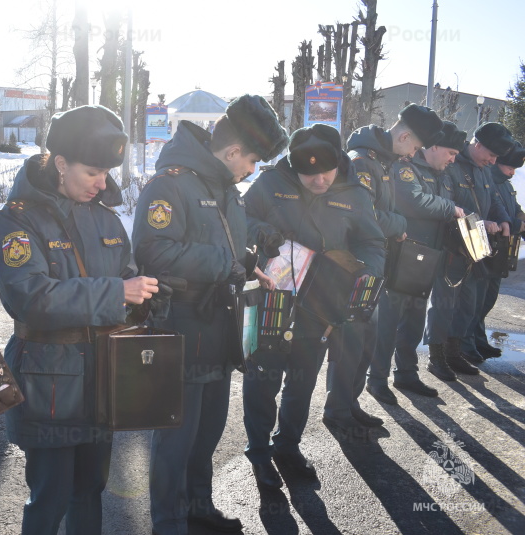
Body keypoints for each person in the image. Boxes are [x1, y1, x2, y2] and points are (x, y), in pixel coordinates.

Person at [0, 105, 159, 535]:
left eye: (106, 173)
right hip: (48, 383)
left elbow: (123, 275)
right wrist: (115, 293)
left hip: (102, 378)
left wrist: (142, 295)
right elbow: (30, 298)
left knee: (91, 489)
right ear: (61, 164)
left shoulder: (105, 218)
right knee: (50, 496)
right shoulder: (18, 219)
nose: (103, 183)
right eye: (92, 173)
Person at [133, 94, 288, 534]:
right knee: (174, 440)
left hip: (221, 329)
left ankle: (198, 506)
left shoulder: (225, 190)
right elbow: (152, 251)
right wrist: (228, 265)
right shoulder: (171, 184)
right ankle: (168, 522)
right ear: (234, 151)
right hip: (180, 328)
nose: (252, 170)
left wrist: (249, 263)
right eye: (252, 160)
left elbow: (229, 249)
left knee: (209, 433)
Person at [242, 124, 385, 491]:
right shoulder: (271, 183)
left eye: (326, 171)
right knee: (263, 379)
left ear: (339, 161)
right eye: (309, 173)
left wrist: (366, 274)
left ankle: (287, 446)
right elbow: (238, 217)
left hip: (322, 302)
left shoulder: (355, 192)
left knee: (302, 381)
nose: (319, 180)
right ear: (294, 165)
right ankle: (259, 454)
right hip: (274, 294)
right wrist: (259, 231)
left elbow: (372, 242)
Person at [339, 104, 444, 422]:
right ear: (404, 135)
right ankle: (340, 409)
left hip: (373, 263)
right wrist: (398, 225)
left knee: (365, 342)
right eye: (413, 147)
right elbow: (361, 216)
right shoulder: (362, 162)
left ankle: (349, 405)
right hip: (356, 266)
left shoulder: (381, 161)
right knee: (354, 343)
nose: (412, 154)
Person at [367, 121, 467, 405]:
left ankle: (406, 374)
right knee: (389, 321)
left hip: (426, 258)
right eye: (450, 152)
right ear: (433, 147)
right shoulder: (406, 168)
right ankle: (377, 379)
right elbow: (415, 202)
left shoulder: (442, 175)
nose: (453, 159)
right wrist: (450, 209)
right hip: (403, 256)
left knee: (413, 321)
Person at [425, 122, 515, 381]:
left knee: (468, 304)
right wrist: (478, 221)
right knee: (443, 305)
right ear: (478, 146)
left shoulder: (483, 169)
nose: (493, 161)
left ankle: (454, 353)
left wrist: (505, 219)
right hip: (452, 246)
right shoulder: (451, 163)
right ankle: (436, 358)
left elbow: (495, 199)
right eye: (491, 155)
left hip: (476, 248)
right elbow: (446, 203)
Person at [468, 141, 525, 359]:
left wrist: (520, 222)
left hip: (501, 251)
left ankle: (478, 340)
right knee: (476, 301)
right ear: (498, 162)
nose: (512, 173)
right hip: (487, 247)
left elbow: (516, 210)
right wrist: (515, 223)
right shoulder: (488, 179)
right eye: (509, 167)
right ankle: (468, 344)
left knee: (488, 299)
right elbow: (487, 211)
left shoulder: (506, 184)